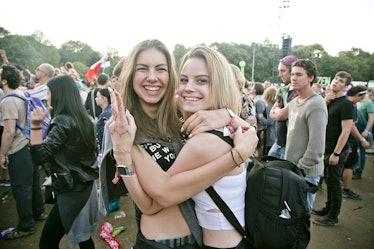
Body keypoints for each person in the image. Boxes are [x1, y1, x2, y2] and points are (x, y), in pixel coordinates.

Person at [100, 40, 257, 249]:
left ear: (170, 76)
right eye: (143, 69)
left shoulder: (180, 113)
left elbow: (245, 131)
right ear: (130, 75)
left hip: (198, 237)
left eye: (161, 69)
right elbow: (150, 205)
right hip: (161, 243)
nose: (152, 77)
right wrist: (122, 154)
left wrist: (226, 114)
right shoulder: (123, 126)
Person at [29, 75, 99, 249]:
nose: (47, 96)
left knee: (47, 242)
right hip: (84, 185)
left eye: (48, 92)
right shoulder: (85, 118)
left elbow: (39, 156)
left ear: (59, 94)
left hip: (72, 189)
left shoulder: (62, 121)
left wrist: (35, 126)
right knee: (82, 237)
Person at [0, 64, 46, 239]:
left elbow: (9, 131)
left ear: (4, 81)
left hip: (18, 148)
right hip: (30, 144)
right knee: (33, 182)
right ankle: (38, 212)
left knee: (21, 188)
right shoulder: (22, 94)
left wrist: (2, 154)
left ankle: (26, 225)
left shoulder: (8, 101)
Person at [284, 59, 327, 212]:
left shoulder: (316, 104)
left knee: (303, 217)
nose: (294, 78)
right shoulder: (295, 101)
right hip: (292, 170)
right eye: (293, 74)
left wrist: (299, 170)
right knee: (292, 215)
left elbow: (316, 147)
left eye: (299, 75)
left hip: (306, 174)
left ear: (311, 78)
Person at [312, 71, 354, 226]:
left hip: (337, 150)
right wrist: (326, 102)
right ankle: (327, 209)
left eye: (341, 81)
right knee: (329, 181)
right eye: (336, 79)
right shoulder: (329, 100)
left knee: (335, 183)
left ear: (346, 86)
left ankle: (333, 216)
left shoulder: (346, 104)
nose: (336, 82)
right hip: (327, 148)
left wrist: (336, 153)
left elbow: (346, 130)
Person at [342, 86, 371, 200]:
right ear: (359, 95)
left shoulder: (343, 102)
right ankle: (346, 189)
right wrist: (362, 139)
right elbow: (351, 126)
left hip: (343, 140)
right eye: (362, 96)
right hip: (349, 141)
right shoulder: (350, 106)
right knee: (350, 164)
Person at [268, 55, 299, 159]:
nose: (279, 74)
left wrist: (278, 112)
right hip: (278, 143)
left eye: (283, 71)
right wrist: (278, 112)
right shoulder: (283, 90)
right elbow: (271, 114)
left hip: (290, 146)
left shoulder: (299, 92)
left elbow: (281, 115)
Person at [354, 87, 374, 179]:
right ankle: (354, 168)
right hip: (355, 131)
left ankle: (359, 171)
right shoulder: (357, 102)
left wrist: (366, 131)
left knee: (361, 151)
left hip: (363, 131)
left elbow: (371, 118)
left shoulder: (369, 103)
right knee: (354, 150)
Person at [250, 82, 266, 157]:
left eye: (253, 87)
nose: (251, 88)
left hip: (259, 127)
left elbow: (260, 115)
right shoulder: (256, 98)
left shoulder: (259, 100)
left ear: (255, 90)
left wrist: (264, 127)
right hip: (257, 126)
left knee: (259, 146)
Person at [95, 88, 112, 153]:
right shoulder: (109, 111)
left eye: (97, 96)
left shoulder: (106, 114)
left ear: (104, 99)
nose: (95, 99)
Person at [262, 86, 277, 156]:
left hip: (270, 134)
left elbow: (270, 122)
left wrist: (260, 117)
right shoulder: (276, 106)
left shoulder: (269, 107)